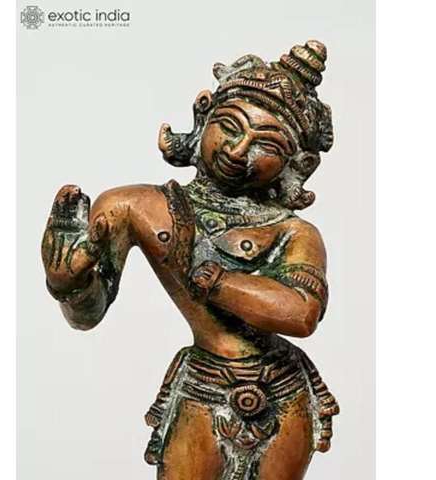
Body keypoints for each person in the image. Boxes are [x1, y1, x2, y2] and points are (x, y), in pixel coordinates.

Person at [41, 40, 339, 480]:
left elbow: (300, 313)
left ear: (300, 163)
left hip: (283, 389)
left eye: (265, 145)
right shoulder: (137, 207)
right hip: (202, 382)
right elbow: (87, 315)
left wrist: (211, 280)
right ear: (203, 115)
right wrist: (68, 282)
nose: (237, 151)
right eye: (230, 127)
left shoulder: (293, 232)